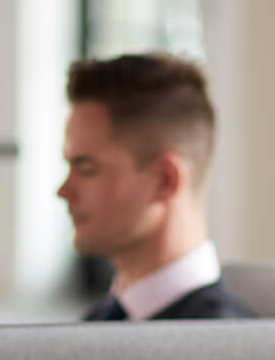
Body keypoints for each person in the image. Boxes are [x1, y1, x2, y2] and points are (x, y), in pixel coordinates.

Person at [58, 53, 255, 321]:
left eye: (87, 170)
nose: (64, 191)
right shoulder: (98, 319)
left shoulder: (230, 351)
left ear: (164, 180)